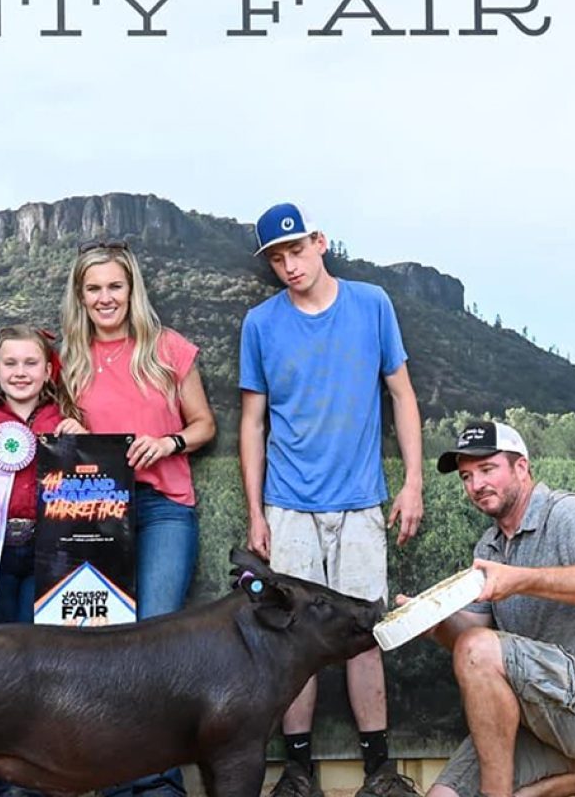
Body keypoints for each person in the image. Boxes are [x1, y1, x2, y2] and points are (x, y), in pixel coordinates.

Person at [239, 202, 423, 797]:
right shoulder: (261, 324)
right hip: (289, 504)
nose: (289, 265)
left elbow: (401, 393)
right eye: (276, 258)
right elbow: (252, 421)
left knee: (366, 633)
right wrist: (256, 512)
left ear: (319, 242)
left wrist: (413, 482)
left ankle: (378, 772)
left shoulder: (372, 305)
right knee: (295, 640)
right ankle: (298, 772)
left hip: (360, 502)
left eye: (295, 250)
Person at [57, 239, 217, 797]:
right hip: (96, 511)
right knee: (102, 644)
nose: (105, 298)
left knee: (154, 640)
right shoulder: (68, 359)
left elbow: (204, 425)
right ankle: (109, 775)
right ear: (81, 295)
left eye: (115, 287)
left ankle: (157, 782)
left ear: (132, 290)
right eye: (94, 288)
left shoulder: (168, 348)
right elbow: (36, 411)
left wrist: (168, 441)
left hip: (164, 509)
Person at [417, 420, 575, 797]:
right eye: (466, 477)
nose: (476, 485)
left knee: (480, 646)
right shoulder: (489, 548)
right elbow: (470, 647)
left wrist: (519, 579)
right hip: (539, 717)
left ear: (521, 468)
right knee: (442, 796)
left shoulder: (565, 513)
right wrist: (432, 622)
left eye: (487, 469)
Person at [0, 325, 84, 797]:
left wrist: (81, 442)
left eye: (30, 363)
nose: (20, 372)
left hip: (52, 551)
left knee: (43, 663)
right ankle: (7, 783)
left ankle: (46, 780)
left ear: (48, 368)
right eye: (10, 364)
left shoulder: (65, 417)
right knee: (2, 667)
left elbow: (89, 489)